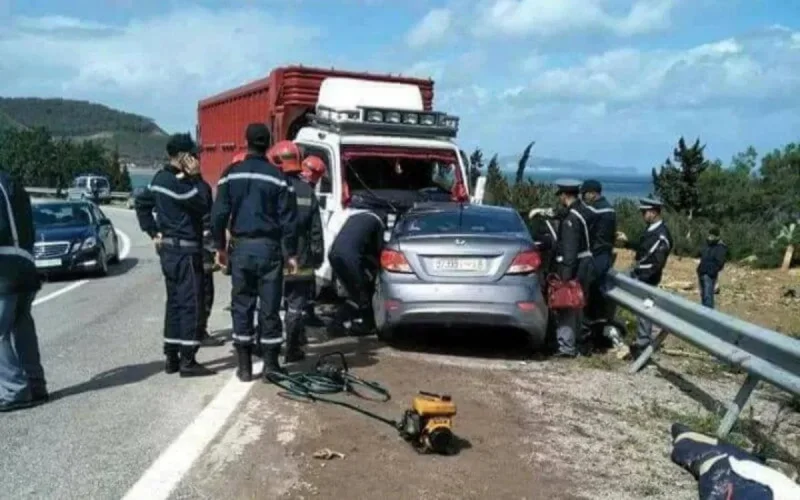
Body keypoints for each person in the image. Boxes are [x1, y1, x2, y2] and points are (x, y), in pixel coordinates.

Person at [210, 123, 298, 381]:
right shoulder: (278, 177)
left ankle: (245, 367)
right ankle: (271, 366)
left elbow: (218, 215)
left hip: (241, 249)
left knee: (242, 306)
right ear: (269, 144)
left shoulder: (230, 175)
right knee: (270, 308)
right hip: (270, 249)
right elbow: (289, 219)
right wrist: (291, 253)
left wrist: (220, 247)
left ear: (246, 142)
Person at [135, 133, 215, 377]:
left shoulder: (159, 179)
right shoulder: (180, 185)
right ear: (182, 157)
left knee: (174, 304)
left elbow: (142, 203)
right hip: (185, 252)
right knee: (191, 304)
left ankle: (171, 357)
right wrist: (197, 177)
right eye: (193, 155)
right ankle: (188, 360)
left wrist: (153, 231)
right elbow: (204, 203)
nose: (196, 159)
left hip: (169, 252)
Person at [0, 167, 48, 411]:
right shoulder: (13, 184)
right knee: (22, 325)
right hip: (26, 263)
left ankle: (14, 390)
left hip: (3, 269)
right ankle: (35, 384)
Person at [273, 145, 324, 363]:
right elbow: (316, 231)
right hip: (301, 259)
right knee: (295, 307)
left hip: (275, 257)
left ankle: (267, 348)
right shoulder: (307, 191)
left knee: (269, 305)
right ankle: (293, 349)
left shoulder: (273, 187)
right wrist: (317, 258)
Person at [552, 179, 595, 358]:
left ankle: (566, 346)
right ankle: (578, 343)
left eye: (560, 195)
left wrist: (565, 277)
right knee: (578, 306)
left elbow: (570, 250)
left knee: (567, 305)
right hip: (586, 263)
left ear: (564, 195)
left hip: (575, 265)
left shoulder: (571, 218)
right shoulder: (585, 211)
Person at [327, 207, 386, 337]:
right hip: (350, 259)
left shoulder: (355, 217)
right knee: (363, 293)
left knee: (354, 293)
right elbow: (378, 250)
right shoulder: (377, 222)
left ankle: (338, 324)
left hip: (334, 255)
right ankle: (365, 324)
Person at [626, 198, 673, 357]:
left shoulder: (661, 235)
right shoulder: (651, 230)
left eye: (644, 212)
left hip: (647, 279)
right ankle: (642, 339)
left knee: (644, 310)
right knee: (641, 310)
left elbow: (657, 262)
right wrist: (627, 243)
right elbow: (643, 249)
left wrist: (642, 275)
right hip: (641, 275)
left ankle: (643, 342)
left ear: (653, 212)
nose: (643, 215)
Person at [580, 179, 618, 341]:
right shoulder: (610, 209)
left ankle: (589, 331)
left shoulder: (596, 209)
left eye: (584, 194)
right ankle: (599, 329)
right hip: (606, 255)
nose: (583, 198)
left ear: (592, 193)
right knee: (599, 291)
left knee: (589, 291)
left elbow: (579, 217)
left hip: (597, 256)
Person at [298, 155, 328, 330]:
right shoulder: (309, 193)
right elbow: (315, 228)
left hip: (285, 246)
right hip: (304, 247)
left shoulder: (288, 185)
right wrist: (318, 252)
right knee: (306, 282)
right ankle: (305, 316)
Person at [696, 226, 727, 309]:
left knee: (708, 296)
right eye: (709, 235)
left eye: (712, 236)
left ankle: (708, 313)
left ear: (716, 236)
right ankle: (703, 312)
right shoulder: (706, 245)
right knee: (703, 295)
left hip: (709, 275)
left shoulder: (721, 247)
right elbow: (701, 254)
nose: (710, 237)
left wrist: (711, 271)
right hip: (701, 272)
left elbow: (720, 263)